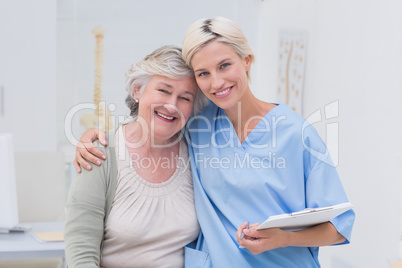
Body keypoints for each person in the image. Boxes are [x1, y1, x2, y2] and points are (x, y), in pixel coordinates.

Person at [73, 17, 355, 268]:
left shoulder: (297, 134)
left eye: (224, 65)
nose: (217, 82)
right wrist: (98, 136)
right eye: (203, 73)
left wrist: (281, 239)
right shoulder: (197, 123)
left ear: (246, 60)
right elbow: (152, 121)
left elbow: (340, 226)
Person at [64, 45, 208, 268]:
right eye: (164, 90)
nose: (172, 106)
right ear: (138, 90)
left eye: (185, 98)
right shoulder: (100, 153)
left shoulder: (198, 153)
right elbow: (81, 254)